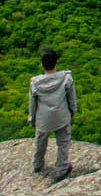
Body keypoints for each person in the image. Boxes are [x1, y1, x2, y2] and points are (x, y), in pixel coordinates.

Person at [28, 49, 77, 180]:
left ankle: (37, 164)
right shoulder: (66, 78)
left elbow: (32, 104)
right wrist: (72, 112)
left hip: (43, 119)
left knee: (40, 142)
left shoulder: (35, 83)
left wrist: (32, 119)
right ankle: (62, 168)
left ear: (42, 64)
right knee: (63, 142)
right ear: (57, 62)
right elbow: (72, 99)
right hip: (61, 116)